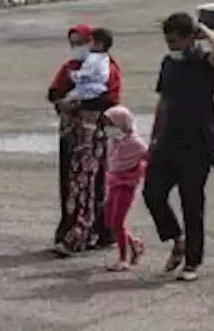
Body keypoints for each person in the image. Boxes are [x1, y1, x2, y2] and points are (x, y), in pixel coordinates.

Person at [142, 12, 214, 282]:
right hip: (168, 140)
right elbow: (164, 100)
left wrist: (203, 29)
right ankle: (175, 238)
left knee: (192, 203)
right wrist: (155, 135)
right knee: (152, 192)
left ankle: (192, 261)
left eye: (175, 41)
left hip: (197, 143)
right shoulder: (169, 63)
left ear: (190, 38)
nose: (171, 46)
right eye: (167, 40)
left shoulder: (205, 62)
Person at [47, 25, 121, 256]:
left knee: (92, 183)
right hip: (71, 136)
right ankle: (72, 228)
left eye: (81, 42)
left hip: (93, 136)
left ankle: (93, 231)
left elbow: (111, 99)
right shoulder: (70, 68)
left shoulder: (106, 67)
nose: (77, 47)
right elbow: (53, 93)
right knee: (71, 184)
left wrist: (79, 105)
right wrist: (62, 103)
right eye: (73, 43)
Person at [102, 104, 148, 272]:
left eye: (110, 124)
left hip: (126, 185)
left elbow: (148, 155)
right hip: (113, 180)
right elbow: (99, 134)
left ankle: (123, 258)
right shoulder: (117, 136)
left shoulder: (135, 143)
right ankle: (134, 244)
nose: (108, 128)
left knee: (118, 221)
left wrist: (139, 170)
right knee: (109, 220)